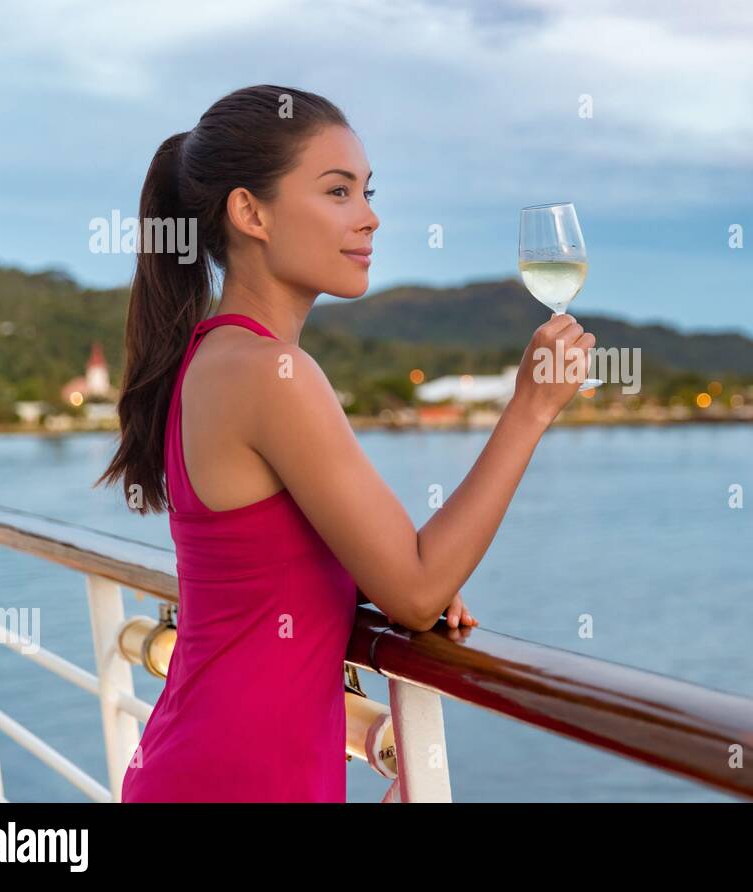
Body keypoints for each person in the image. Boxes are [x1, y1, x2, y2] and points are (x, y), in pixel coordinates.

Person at [96, 84, 594, 801]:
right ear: (250, 213)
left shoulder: (213, 360)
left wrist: (365, 576)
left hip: (198, 762)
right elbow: (419, 592)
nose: (370, 218)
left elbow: (270, 560)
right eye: (338, 192)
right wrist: (530, 409)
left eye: (367, 191)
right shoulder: (273, 373)